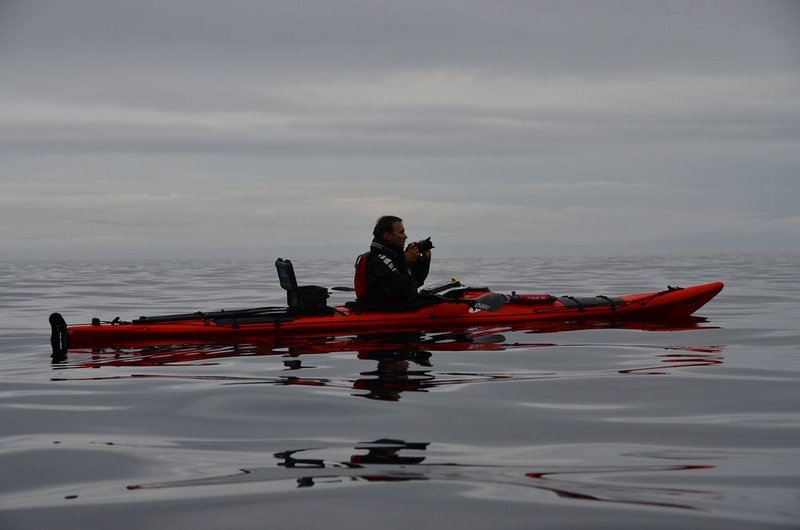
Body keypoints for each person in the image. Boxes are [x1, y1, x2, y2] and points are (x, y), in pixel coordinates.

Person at [354, 215, 432, 308]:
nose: (405, 236)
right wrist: (408, 263)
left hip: (392, 307)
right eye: (401, 232)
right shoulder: (378, 260)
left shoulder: (394, 256)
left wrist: (423, 262)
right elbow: (399, 294)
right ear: (387, 236)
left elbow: (415, 284)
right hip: (383, 310)